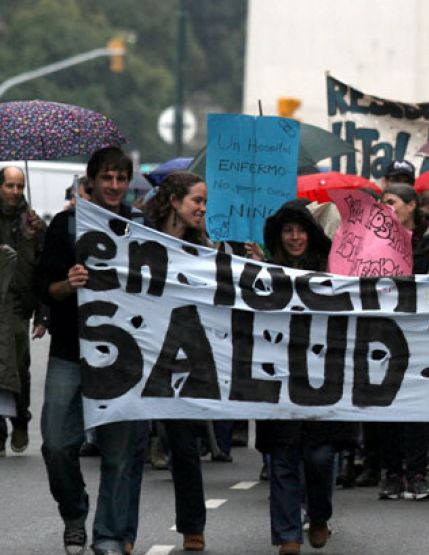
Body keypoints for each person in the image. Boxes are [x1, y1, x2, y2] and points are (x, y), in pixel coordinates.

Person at [38, 147, 146, 555]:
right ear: (91, 181)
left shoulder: (140, 228)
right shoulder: (66, 226)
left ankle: (107, 535)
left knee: (118, 455)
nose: (115, 186)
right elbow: (46, 289)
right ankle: (74, 512)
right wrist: (70, 283)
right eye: (107, 178)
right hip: (70, 351)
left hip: (124, 360)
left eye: (121, 178)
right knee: (56, 444)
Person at [252, 199, 341, 555]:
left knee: (319, 457)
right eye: (288, 231)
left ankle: (318, 516)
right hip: (277, 378)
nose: (294, 237)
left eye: (300, 230)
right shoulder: (262, 271)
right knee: (282, 456)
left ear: (311, 233)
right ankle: (288, 534)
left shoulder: (332, 270)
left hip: (321, 378)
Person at [140, 171, 210, 552]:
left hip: (183, 357)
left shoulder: (205, 247)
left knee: (183, 444)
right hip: (138, 350)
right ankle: (121, 531)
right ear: (174, 202)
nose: (202, 209)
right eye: (196, 201)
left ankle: (192, 527)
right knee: (131, 447)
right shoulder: (138, 236)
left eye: (204, 203)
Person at [377, 183, 429, 501]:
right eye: (382, 203)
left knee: (417, 405)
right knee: (386, 405)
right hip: (384, 332)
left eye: (391, 202)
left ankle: (417, 474)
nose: (386, 208)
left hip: (420, 334)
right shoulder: (373, 240)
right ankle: (392, 474)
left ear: (411, 206)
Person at [0, 166, 45, 456]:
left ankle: (19, 419)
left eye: (20, 186)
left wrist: (42, 313)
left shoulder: (33, 222)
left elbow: (42, 270)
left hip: (17, 305)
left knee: (19, 366)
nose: (15, 192)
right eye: (10, 186)